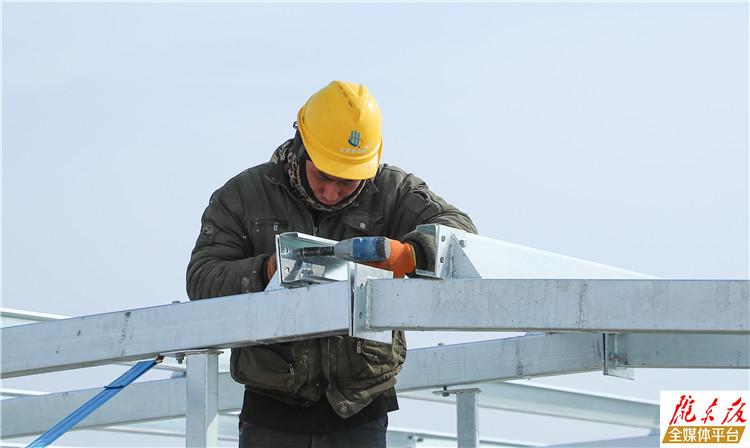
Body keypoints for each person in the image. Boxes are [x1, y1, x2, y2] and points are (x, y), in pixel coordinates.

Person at [186, 80, 476, 448]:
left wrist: (410, 254)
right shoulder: (243, 196)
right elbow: (202, 278)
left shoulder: (392, 190)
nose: (331, 192)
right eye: (323, 175)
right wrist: (267, 271)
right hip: (271, 401)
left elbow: (461, 233)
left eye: (348, 181)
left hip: (362, 403)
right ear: (301, 146)